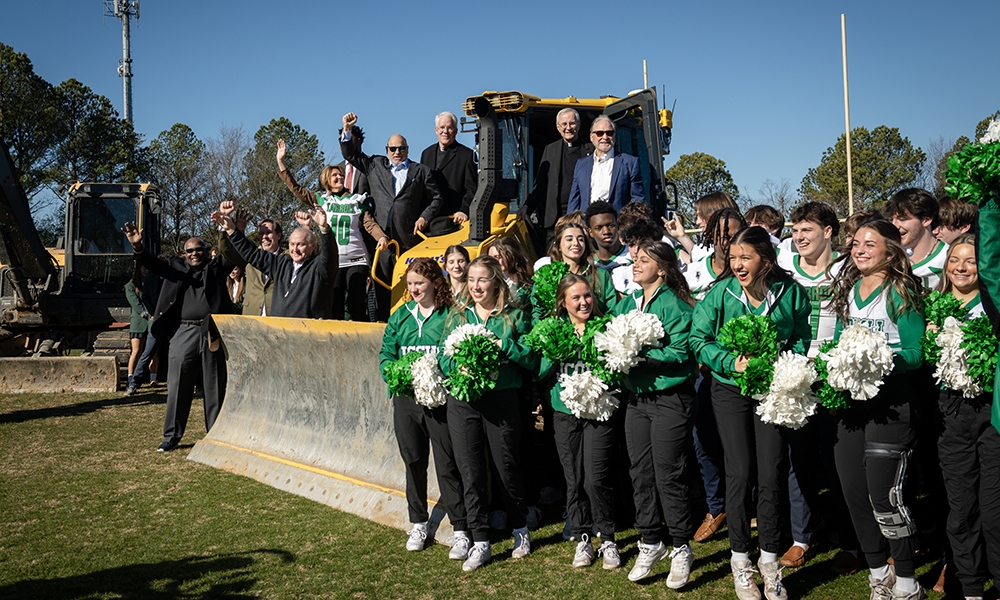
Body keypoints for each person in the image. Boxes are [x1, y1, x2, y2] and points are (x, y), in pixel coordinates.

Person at [690, 226, 812, 600]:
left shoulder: (789, 292)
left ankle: (770, 562)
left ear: (766, 259)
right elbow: (699, 340)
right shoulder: (719, 294)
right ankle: (741, 561)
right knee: (740, 472)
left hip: (772, 392)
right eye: (734, 257)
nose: (738, 264)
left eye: (747, 257)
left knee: (771, 471)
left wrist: (788, 363)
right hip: (729, 391)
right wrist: (729, 361)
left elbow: (804, 335)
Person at [827, 219, 926, 600]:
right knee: (854, 491)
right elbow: (838, 343)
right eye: (855, 244)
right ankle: (877, 573)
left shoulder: (900, 290)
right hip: (852, 405)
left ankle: (906, 580)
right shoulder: (849, 289)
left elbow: (917, 354)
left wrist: (881, 361)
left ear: (891, 249)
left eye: (870, 243)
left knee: (885, 496)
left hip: (892, 404)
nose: (859, 249)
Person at [439, 255, 539, 572]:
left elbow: (532, 358)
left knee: (506, 464)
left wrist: (502, 346)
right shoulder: (457, 314)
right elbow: (443, 358)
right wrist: (459, 366)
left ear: (496, 280)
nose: (476, 286)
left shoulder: (513, 315)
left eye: (482, 279)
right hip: (463, 400)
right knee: (470, 469)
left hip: (501, 400)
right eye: (471, 280)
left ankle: (520, 528)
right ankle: (479, 539)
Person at [614, 241, 700, 589]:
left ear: (662, 269)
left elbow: (682, 351)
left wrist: (641, 355)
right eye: (635, 259)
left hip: (670, 399)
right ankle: (651, 541)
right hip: (637, 401)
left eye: (644, 260)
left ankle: (681, 545)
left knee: (669, 473)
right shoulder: (629, 302)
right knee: (641, 472)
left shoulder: (676, 304)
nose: (636, 264)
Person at [379, 258, 470, 559]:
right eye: (410, 284)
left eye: (420, 283)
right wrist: (393, 372)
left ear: (435, 282)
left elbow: (456, 353)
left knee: (447, 463)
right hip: (406, 400)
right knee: (413, 461)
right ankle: (418, 522)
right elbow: (386, 354)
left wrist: (440, 373)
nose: (414, 289)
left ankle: (461, 529)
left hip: (439, 400)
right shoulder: (399, 317)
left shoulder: (450, 316)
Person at [776, 202, 849, 571]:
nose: (799, 237)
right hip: (793, 377)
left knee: (838, 462)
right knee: (797, 460)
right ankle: (801, 536)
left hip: (835, 376)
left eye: (807, 230)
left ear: (828, 232)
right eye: (795, 229)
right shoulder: (784, 267)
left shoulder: (847, 269)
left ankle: (849, 540)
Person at [122, 223, 235, 452]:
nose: (194, 253)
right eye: (190, 250)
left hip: (212, 331)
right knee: (178, 385)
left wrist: (233, 229)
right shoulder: (174, 268)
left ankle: (215, 434)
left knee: (214, 385)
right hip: (183, 331)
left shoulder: (216, 268)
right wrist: (138, 247)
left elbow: (231, 254)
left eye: (199, 249)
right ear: (184, 254)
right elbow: (152, 263)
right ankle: (172, 436)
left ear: (205, 250)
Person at [534, 274, 621, 569]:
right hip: (565, 412)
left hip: (598, 413)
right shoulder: (555, 330)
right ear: (563, 302)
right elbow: (540, 372)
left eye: (587, 296)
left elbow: (617, 369)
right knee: (574, 479)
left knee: (597, 478)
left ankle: (607, 537)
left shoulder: (605, 327)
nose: (583, 302)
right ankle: (583, 537)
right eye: (576, 297)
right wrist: (552, 354)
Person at [931, 234, 1000, 600]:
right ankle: (971, 586)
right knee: (960, 508)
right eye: (955, 260)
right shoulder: (934, 305)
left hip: (992, 410)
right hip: (951, 413)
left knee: (993, 509)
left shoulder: (993, 304)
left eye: (971, 261)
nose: (961, 267)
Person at [341, 112, 443, 321]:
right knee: (382, 283)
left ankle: (415, 323)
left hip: (410, 239)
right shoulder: (375, 165)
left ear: (407, 149)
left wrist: (424, 217)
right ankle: (383, 324)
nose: (397, 152)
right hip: (382, 240)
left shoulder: (421, 171)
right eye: (393, 149)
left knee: (412, 283)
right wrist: (347, 129)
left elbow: (437, 198)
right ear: (387, 150)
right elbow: (350, 154)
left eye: (401, 148)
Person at [683, 208, 745, 547]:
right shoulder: (694, 273)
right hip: (703, 370)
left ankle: (745, 506)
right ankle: (716, 505)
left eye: (732, 232)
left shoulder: (748, 272)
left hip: (740, 371)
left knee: (742, 446)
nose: (725, 239)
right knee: (703, 440)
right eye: (719, 233)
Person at [276, 139, 389, 321]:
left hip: (356, 258)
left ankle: (361, 342)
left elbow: (369, 223)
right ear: (326, 180)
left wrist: (381, 237)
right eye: (334, 176)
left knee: (355, 303)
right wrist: (281, 162)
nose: (338, 178)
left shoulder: (356, 199)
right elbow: (296, 189)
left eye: (340, 175)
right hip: (333, 261)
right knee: (334, 304)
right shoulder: (321, 199)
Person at [213, 201, 337, 320]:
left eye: (300, 244)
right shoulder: (281, 264)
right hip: (277, 333)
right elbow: (251, 253)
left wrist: (324, 229)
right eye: (292, 244)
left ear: (312, 246)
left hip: (307, 334)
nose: (295, 249)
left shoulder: (319, 267)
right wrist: (231, 229)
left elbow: (330, 254)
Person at [522, 108, 594, 250]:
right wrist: (527, 206)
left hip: (581, 216)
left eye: (572, 123)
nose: (568, 128)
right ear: (558, 127)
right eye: (564, 124)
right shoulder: (550, 150)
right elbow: (541, 184)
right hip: (555, 219)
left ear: (579, 125)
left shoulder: (591, 150)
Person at [532, 222, 617, 324]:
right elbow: (538, 312)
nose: (576, 243)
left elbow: (611, 309)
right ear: (558, 245)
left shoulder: (600, 274)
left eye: (581, 239)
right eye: (569, 239)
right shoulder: (546, 276)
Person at [567, 116, 644, 213]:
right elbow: (574, 200)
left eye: (609, 133)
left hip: (617, 224)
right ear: (591, 137)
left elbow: (637, 200)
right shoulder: (581, 164)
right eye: (600, 133)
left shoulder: (630, 163)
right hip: (587, 225)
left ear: (614, 136)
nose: (605, 137)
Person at [218, 213, 284, 317]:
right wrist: (230, 229)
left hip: (277, 317)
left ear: (278, 235)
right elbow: (226, 250)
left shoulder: (288, 258)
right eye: (261, 234)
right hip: (252, 318)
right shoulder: (249, 257)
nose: (264, 237)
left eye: (268, 233)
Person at [420, 112, 478, 224]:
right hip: (430, 219)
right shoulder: (426, 154)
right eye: (442, 127)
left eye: (449, 128)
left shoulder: (466, 155)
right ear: (436, 130)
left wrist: (463, 210)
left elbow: (472, 188)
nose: (445, 131)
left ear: (456, 131)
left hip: (454, 219)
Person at [886, 188, 947, 290]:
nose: (894, 225)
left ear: (926, 220)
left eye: (902, 219)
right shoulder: (890, 260)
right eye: (892, 219)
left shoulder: (949, 258)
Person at [664, 191, 740, 264]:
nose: (697, 222)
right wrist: (681, 236)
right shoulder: (710, 250)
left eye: (700, 215)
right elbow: (698, 254)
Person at [124, 262, 154, 396]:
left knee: (153, 350)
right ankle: (131, 377)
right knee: (136, 351)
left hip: (151, 321)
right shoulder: (131, 286)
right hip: (139, 321)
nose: (146, 271)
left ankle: (153, 377)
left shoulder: (151, 283)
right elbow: (135, 302)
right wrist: (144, 312)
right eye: (144, 268)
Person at [612, 218, 664, 294]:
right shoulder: (617, 276)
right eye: (632, 245)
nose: (636, 251)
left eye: (643, 244)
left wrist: (682, 237)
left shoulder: (673, 274)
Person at [487, 237, 533, 310]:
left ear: (511, 255)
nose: (493, 262)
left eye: (498, 257)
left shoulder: (528, 276)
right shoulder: (491, 280)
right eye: (490, 258)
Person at [586, 201, 630, 272]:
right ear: (590, 232)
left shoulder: (632, 255)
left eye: (611, 225)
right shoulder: (588, 264)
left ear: (617, 226)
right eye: (599, 228)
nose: (606, 232)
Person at [338, 124, 370, 195]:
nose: (344, 143)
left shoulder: (370, 164)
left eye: (349, 139)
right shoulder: (337, 169)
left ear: (359, 141)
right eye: (342, 140)